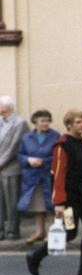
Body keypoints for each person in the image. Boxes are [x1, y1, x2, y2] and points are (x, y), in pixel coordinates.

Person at [25, 109, 82, 275]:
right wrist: (59, 203)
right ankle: (35, 256)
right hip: (70, 199)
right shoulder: (62, 145)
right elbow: (58, 174)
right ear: (69, 124)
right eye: (78, 122)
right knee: (70, 233)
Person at [17, 110, 60, 243]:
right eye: (42, 121)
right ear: (35, 123)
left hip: (48, 174)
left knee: (50, 204)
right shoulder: (26, 137)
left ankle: (51, 231)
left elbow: (59, 155)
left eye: (48, 120)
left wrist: (45, 161)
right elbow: (20, 155)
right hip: (32, 176)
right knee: (37, 205)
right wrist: (29, 160)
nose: (46, 123)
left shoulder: (56, 136)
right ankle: (39, 232)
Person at [0, 95, 29, 240]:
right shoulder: (1, 121)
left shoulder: (20, 123)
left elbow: (14, 146)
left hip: (11, 167)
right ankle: (0, 230)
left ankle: (13, 230)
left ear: (6, 107)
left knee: (12, 200)